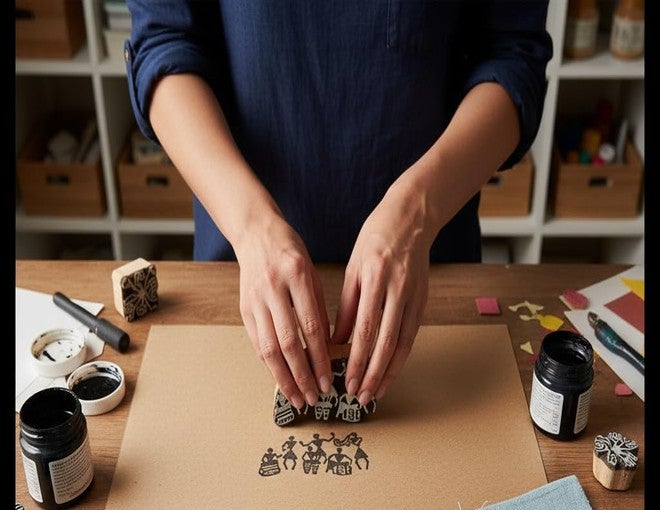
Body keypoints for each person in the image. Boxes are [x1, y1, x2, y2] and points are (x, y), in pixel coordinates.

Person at [125, 2, 552, 409]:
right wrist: (252, 226)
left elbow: (513, 57)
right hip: (242, 265)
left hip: (432, 269)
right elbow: (162, 43)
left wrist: (416, 210)